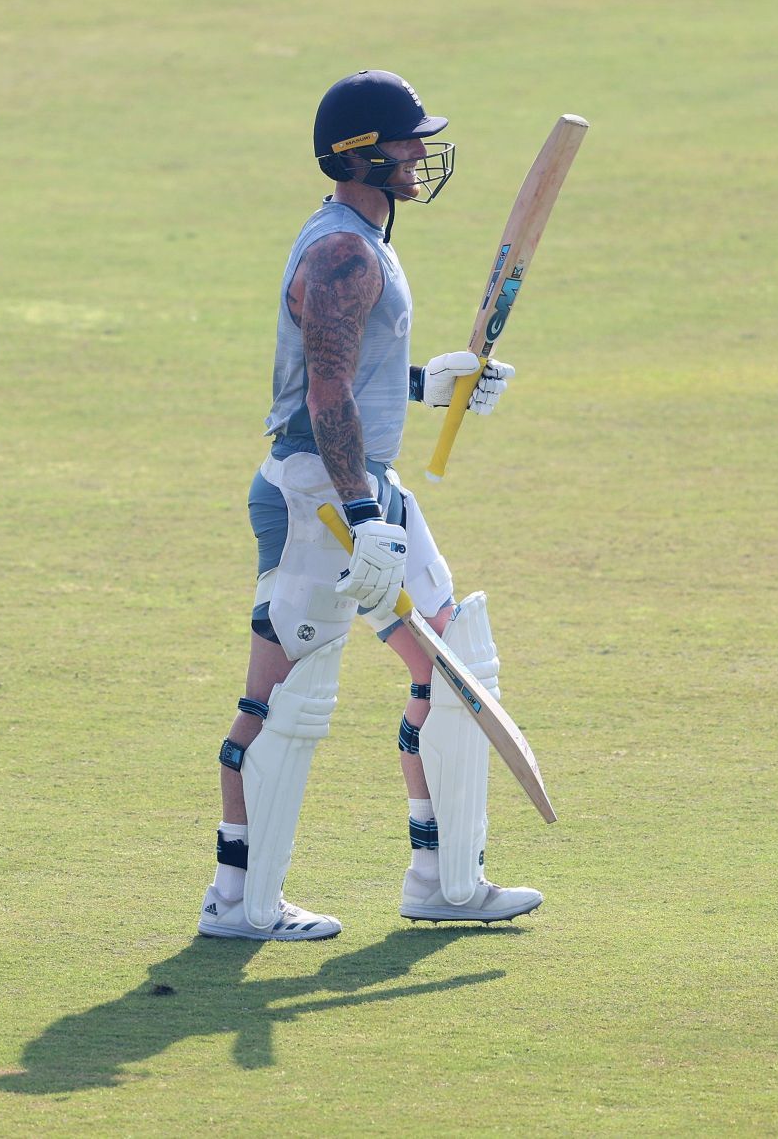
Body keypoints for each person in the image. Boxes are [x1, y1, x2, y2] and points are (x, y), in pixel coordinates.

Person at [198, 70, 543, 941]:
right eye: (407, 142)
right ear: (360, 154)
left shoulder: (365, 241)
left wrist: (437, 386)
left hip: (362, 485)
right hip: (317, 492)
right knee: (285, 699)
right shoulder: (342, 253)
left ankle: (444, 881)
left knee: (458, 662)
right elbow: (323, 398)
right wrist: (362, 518)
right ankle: (240, 902)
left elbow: (358, 376)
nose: (422, 154)